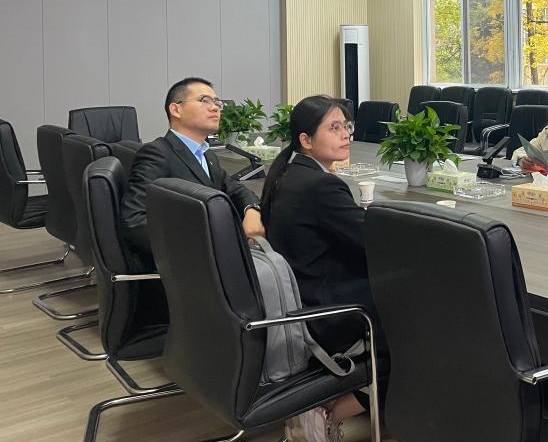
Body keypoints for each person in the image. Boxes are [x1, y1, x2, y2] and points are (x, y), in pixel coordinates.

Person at [260, 95, 374, 441]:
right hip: (328, 312)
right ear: (306, 140)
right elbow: (373, 241)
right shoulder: (321, 186)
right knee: (419, 320)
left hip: (302, 298)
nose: (345, 134)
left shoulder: (287, 174)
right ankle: (329, 410)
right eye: (334, 128)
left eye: (346, 126)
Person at [121, 77, 264, 268]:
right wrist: (201, 246)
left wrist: (252, 210)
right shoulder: (157, 154)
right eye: (205, 100)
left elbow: (235, 189)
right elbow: (134, 221)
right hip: (187, 266)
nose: (215, 108)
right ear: (176, 109)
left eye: (217, 102)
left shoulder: (207, 155)